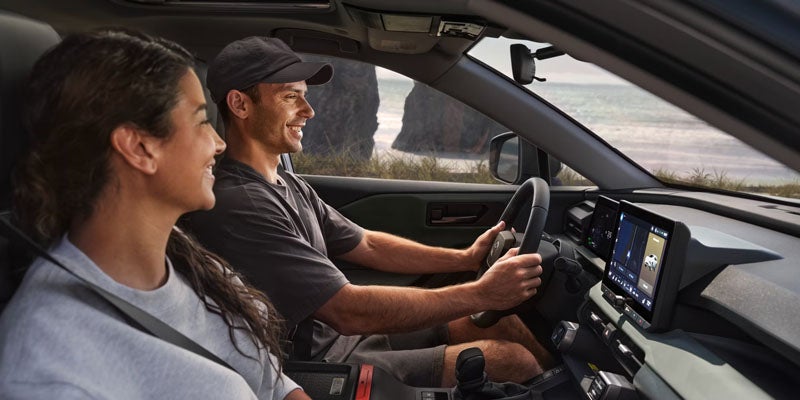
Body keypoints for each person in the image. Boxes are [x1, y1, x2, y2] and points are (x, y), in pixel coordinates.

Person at [183, 36, 554, 388]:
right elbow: (348, 311)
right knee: (511, 361)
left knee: (501, 325)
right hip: (315, 363)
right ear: (240, 105)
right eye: (290, 96)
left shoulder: (288, 184)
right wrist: (482, 294)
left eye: (305, 96)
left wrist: (465, 258)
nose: (308, 111)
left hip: (347, 339)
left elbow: (368, 245)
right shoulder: (240, 204)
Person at [0, 30, 307, 400]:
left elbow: (272, 384)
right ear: (139, 147)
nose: (219, 143)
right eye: (201, 121)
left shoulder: (186, 258)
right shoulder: (48, 371)